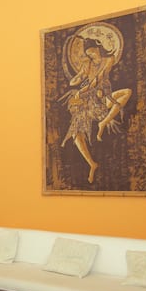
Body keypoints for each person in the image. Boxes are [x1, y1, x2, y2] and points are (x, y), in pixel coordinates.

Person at [60, 36, 131, 183]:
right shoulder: (88, 63)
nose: (91, 55)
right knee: (76, 132)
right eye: (88, 54)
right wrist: (79, 75)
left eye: (92, 52)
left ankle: (103, 122)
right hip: (88, 101)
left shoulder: (108, 60)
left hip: (103, 96)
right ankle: (92, 163)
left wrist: (82, 90)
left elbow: (98, 79)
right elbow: (75, 80)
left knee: (127, 92)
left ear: (98, 48)